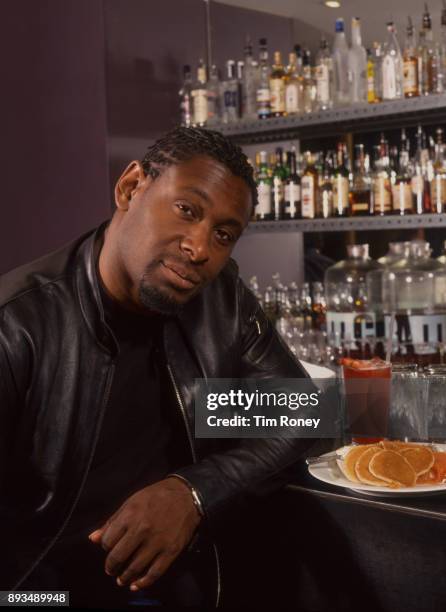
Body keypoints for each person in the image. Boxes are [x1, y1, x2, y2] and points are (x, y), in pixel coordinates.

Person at [0, 127, 313, 608]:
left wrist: (192, 492)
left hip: (181, 587)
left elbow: (297, 412)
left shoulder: (217, 300)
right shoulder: (17, 324)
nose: (200, 248)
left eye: (224, 234)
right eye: (187, 210)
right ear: (130, 188)